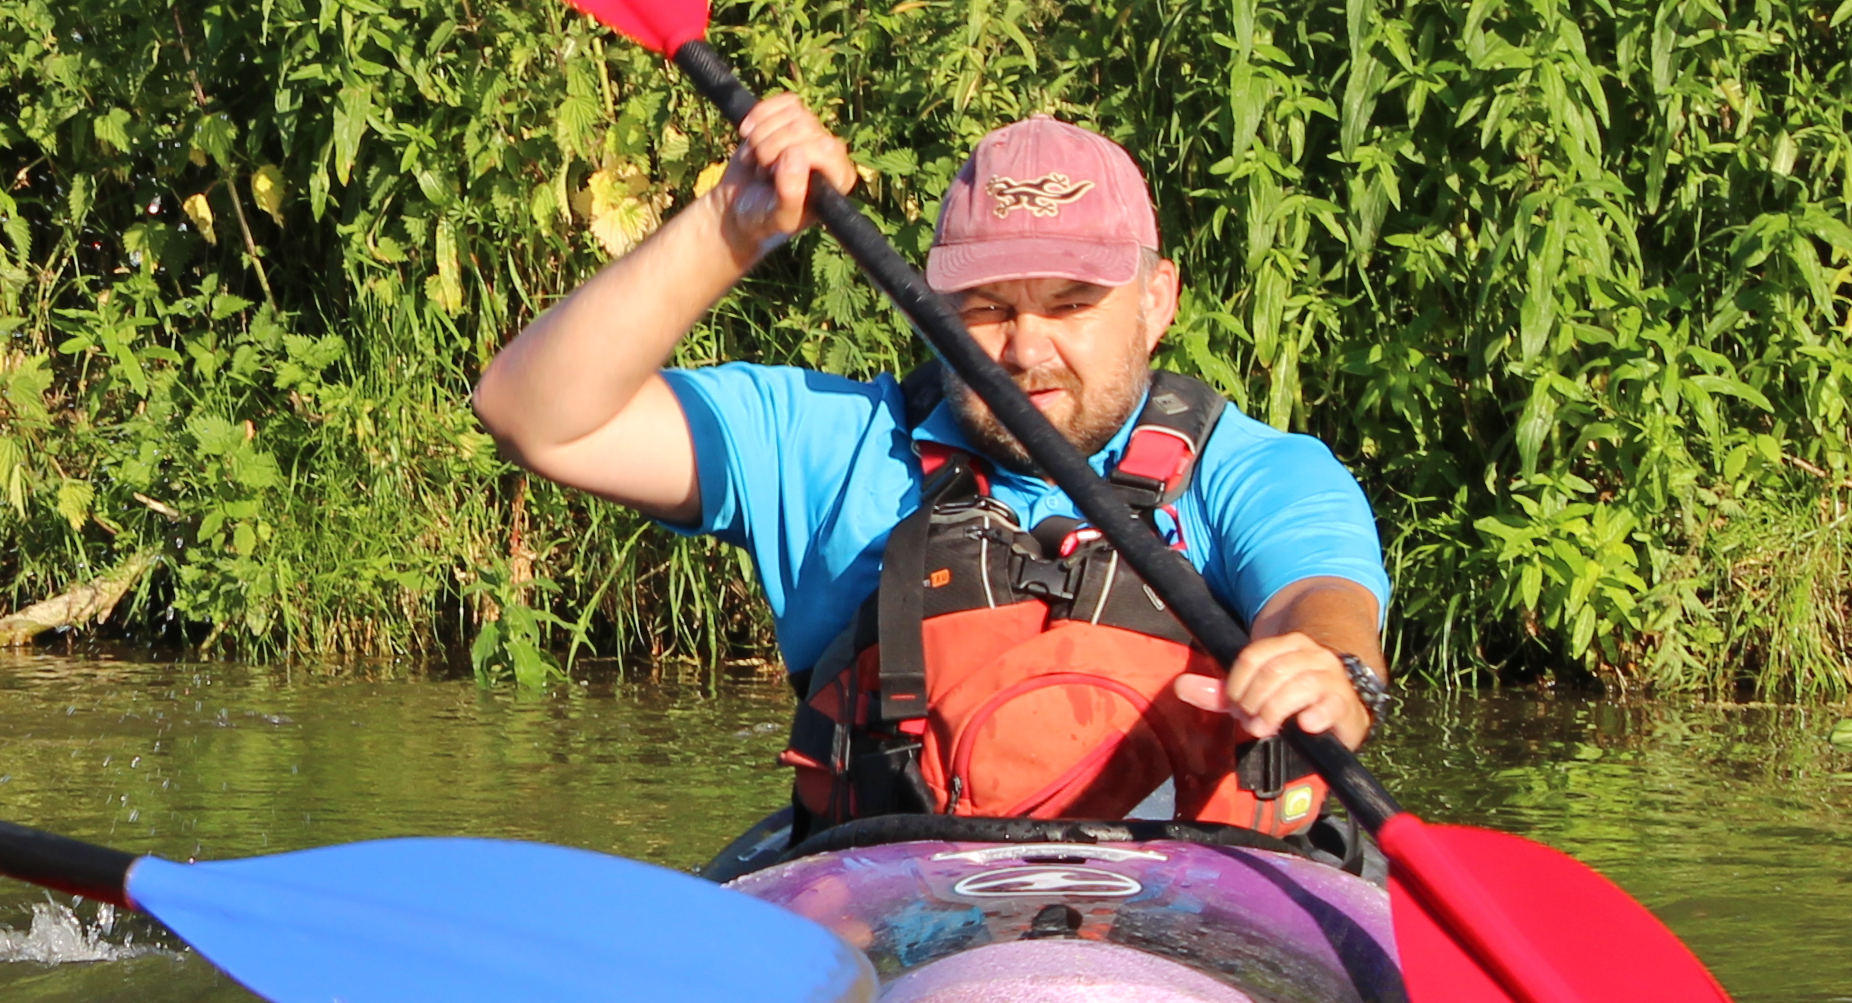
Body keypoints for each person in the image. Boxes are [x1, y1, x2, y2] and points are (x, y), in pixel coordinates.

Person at [473, 98, 1388, 839]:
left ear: (1157, 302)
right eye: (984, 306)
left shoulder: (1253, 471)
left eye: (1072, 305)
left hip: (1197, 941)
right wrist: (731, 225)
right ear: (932, 303)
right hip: (911, 943)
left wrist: (1327, 668)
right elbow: (533, 415)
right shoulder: (829, 448)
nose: (1024, 349)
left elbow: (1321, 597)